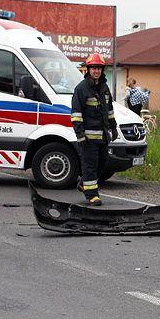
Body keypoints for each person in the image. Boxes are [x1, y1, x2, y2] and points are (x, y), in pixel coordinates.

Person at [70, 53, 117, 206]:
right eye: (93, 68)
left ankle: (84, 183)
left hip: (103, 136)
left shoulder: (104, 88)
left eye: (99, 68)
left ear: (102, 70)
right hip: (88, 138)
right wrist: (80, 135)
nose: (96, 71)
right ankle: (92, 195)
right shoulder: (81, 89)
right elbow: (76, 115)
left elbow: (109, 110)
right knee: (90, 166)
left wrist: (113, 127)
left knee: (102, 164)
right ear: (88, 69)